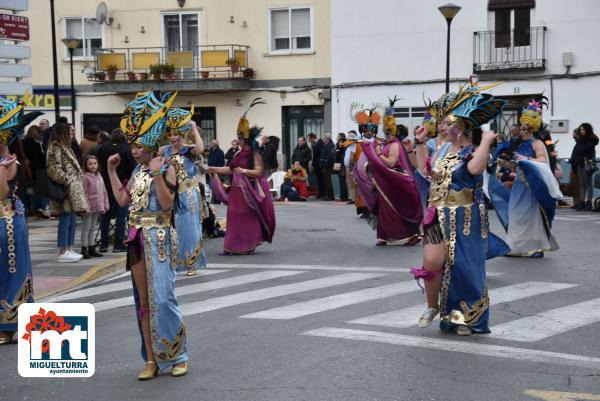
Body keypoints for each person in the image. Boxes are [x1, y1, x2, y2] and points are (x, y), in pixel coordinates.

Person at [411, 84, 510, 336]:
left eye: (447, 122)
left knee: (463, 268)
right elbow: (426, 171)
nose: (441, 126)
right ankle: (432, 307)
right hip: (437, 213)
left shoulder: (473, 150)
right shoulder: (442, 148)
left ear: (463, 125)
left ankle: (462, 318)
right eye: (440, 122)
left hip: (465, 217)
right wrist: (420, 142)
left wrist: (487, 141)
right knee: (431, 262)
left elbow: (475, 170)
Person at [107, 91, 188, 380]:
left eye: (138, 145)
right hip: (137, 239)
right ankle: (151, 359)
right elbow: (121, 201)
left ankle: (177, 354)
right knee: (143, 300)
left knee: (164, 298)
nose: (134, 150)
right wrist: (111, 171)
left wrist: (156, 174)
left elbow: (167, 204)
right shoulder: (137, 172)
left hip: (161, 239)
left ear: (150, 144)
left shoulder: (168, 168)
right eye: (133, 145)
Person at [489, 98, 562, 258]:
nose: (520, 131)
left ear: (530, 129)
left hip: (533, 186)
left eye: (523, 129)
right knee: (516, 214)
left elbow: (542, 161)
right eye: (520, 129)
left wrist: (524, 159)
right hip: (519, 185)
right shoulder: (521, 145)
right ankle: (515, 246)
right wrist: (504, 163)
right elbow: (517, 164)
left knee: (533, 216)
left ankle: (537, 247)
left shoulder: (537, 143)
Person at [208, 98, 276, 254]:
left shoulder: (255, 153)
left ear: (243, 139)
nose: (237, 138)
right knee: (234, 216)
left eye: (239, 136)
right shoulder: (238, 153)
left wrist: (244, 171)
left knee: (247, 216)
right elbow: (231, 170)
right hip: (237, 191)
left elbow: (258, 171)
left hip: (250, 190)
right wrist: (214, 169)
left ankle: (248, 245)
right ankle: (231, 247)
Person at [358, 97, 423, 246]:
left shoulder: (394, 145)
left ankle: (412, 234)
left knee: (398, 209)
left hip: (396, 182)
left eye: (388, 133)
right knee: (385, 210)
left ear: (393, 133)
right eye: (385, 132)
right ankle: (384, 235)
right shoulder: (387, 143)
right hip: (387, 182)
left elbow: (391, 163)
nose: (386, 135)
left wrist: (378, 154)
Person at [0, 96, 36, 344]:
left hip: (8, 222)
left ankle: (9, 324)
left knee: (12, 270)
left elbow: (2, 193)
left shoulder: (9, 163)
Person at [159, 107, 207, 276]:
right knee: (174, 228)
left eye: (176, 133)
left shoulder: (188, 149)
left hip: (188, 194)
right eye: (170, 134)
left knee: (190, 228)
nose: (173, 137)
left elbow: (200, 149)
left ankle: (192, 263)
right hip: (171, 193)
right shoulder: (164, 151)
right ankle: (176, 262)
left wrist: (193, 128)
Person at [47, 123, 89, 263]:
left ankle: (69, 248)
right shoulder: (55, 147)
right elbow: (53, 169)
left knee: (71, 218)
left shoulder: (66, 147)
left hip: (71, 190)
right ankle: (63, 251)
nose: (73, 134)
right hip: (65, 190)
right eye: (71, 131)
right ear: (63, 132)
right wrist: (68, 181)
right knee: (65, 219)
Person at [97, 128, 136, 253]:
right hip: (121, 186)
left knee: (105, 216)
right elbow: (132, 168)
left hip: (105, 185)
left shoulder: (103, 148)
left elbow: (98, 163)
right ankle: (118, 244)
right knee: (121, 216)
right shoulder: (126, 149)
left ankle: (103, 243)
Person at [348, 105, 378, 218]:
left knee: (374, 190)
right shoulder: (356, 143)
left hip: (374, 171)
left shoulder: (378, 142)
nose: (369, 131)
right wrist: (352, 171)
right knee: (361, 191)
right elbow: (351, 158)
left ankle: (374, 209)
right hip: (360, 172)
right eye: (367, 128)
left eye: (371, 128)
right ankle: (364, 210)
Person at [81, 155, 109, 259]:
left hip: (98, 206)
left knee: (93, 227)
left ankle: (91, 247)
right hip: (89, 207)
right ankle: (84, 248)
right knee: (86, 228)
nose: (93, 166)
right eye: (90, 164)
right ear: (86, 165)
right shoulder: (85, 177)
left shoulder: (99, 176)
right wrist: (85, 207)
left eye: (95, 163)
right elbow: (84, 192)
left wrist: (105, 204)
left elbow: (104, 191)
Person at [22, 125, 51, 218]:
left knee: (26, 190)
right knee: (38, 191)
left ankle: (27, 208)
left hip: (25, 169)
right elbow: (40, 158)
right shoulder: (37, 143)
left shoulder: (22, 142)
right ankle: (38, 209)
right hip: (37, 170)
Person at [570, 123, 599, 211]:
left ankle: (589, 202)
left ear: (588, 130)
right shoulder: (580, 140)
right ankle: (582, 202)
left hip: (588, 163)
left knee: (588, 184)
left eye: (584, 129)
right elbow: (577, 150)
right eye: (581, 130)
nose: (582, 131)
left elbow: (584, 149)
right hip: (580, 163)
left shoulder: (592, 139)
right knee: (582, 184)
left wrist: (580, 149)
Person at [308, 132, 325, 198]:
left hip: (319, 165)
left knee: (321, 180)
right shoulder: (314, 144)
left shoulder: (320, 143)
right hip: (316, 165)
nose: (309, 141)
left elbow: (321, 154)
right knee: (319, 180)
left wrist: (320, 163)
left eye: (309, 139)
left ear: (312, 138)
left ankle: (322, 193)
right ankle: (320, 193)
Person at [344, 130, 358, 204]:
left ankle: (355, 199)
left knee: (353, 183)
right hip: (347, 166)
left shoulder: (354, 145)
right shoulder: (349, 146)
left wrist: (351, 168)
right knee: (350, 184)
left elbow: (352, 158)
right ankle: (352, 198)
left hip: (351, 167)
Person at [333, 132, 348, 201]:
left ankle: (344, 197)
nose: (336, 138)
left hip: (342, 165)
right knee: (341, 181)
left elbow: (338, 154)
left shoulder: (343, 145)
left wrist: (337, 149)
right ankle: (343, 197)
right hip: (340, 164)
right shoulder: (338, 145)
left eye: (338, 137)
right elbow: (333, 152)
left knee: (342, 181)